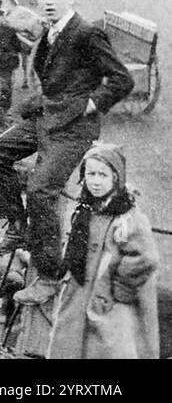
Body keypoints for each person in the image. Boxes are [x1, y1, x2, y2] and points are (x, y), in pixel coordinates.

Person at [0, 0, 134, 306]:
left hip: (75, 128)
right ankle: (17, 228)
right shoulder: (50, 33)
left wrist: (89, 105)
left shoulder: (87, 32)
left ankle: (49, 276)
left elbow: (122, 80)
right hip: (48, 118)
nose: (47, 1)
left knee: (41, 188)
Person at [48, 144, 160, 359]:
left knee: (108, 348)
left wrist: (118, 288)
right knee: (69, 347)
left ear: (116, 178)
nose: (96, 181)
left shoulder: (127, 217)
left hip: (111, 299)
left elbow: (146, 258)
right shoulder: (84, 209)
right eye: (91, 174)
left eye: (103, 175)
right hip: (80, 291)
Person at [0, 8, 25, 114]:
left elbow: (18, 47)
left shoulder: (9, 31)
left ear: (2, 17)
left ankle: (5, 109)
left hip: (5, 64)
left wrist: (9, 57)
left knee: (5, 87)